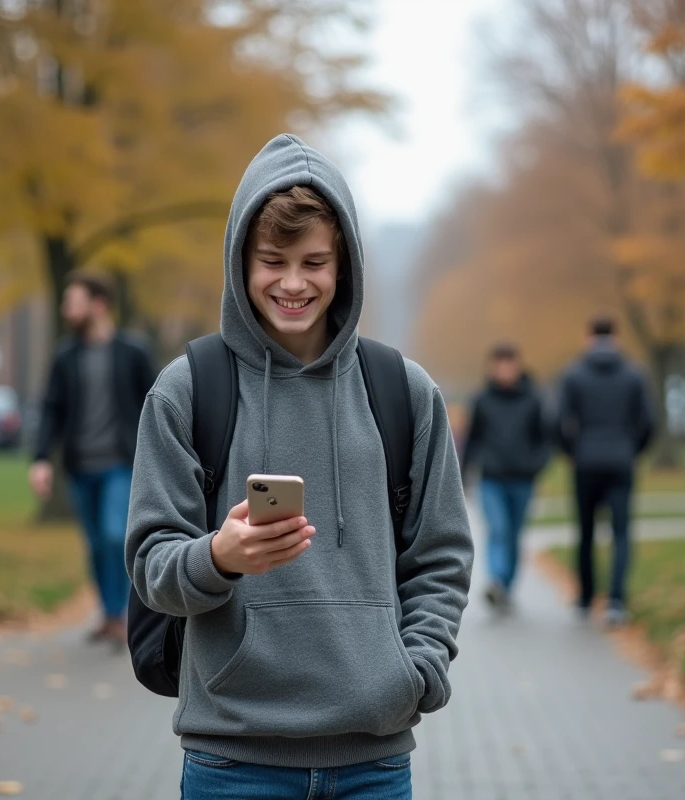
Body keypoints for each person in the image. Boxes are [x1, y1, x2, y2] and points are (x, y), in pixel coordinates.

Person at [125, 133, 473, 800]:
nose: (292, 282)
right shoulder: (187, 390)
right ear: (240, 261)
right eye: (272, 261)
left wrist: (418, 669)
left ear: (343, 266)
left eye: (314, 261)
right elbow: (150, 567)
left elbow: (442, 555)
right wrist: (219, 557)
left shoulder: (402, 391)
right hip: (234, 758)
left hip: (373, 758)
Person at [29, 271, 156, 644]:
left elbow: (155, 403)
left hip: (119, 464)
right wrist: (40, 459)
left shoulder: (132, 352)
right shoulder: (65, 356)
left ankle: (121, 614)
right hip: (79, 467)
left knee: (116, 535)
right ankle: (109, 613)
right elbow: (50, 408)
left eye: (74, 300)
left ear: (98, 305)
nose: (66, 308)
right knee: (96, 543)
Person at [554, 315, 654, 626]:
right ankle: (616, 600)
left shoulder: (574, 374)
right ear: (617, 336)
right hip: (621, 460)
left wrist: (573, 452)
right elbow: (649, 422)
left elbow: (557, 421)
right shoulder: (633, 374)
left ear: (588, 336)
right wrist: (631, 450)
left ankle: (585, 598)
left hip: (586, 461)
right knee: (621, 532)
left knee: (585, 532)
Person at [461, 342, 550, 612]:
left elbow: (545, 438)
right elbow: (472, 439)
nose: (504, 369)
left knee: (514, 534)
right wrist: (464, 473)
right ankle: (497, 581)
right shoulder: (482, 400)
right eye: (499, 364)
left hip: (523, 479)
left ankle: (506, 587)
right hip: (492, 478)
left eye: (509, 363)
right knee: (498, 530)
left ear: (517, 365)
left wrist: (536, 464)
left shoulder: (533, 399)